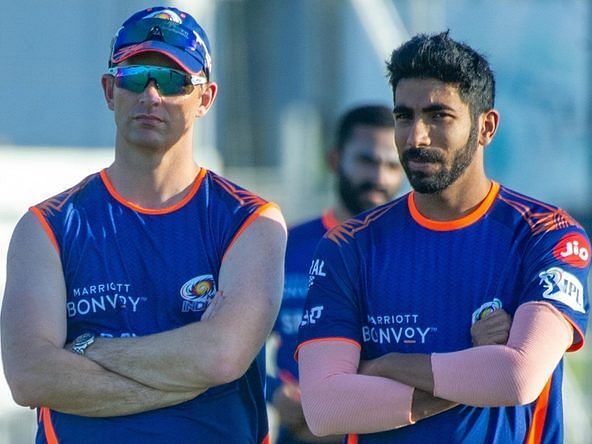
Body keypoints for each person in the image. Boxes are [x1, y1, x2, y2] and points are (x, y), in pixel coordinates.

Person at [1, 6, 286, 443]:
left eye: (173, 81)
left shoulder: (251, 221)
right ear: (110, 90)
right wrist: (184, 372)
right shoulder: (47, 226)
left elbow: (221, 357)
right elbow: (31, 376)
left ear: (205, 98)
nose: (151, 95)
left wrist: (85, 349)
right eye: (136, 77)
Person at [296, 31, 590, 443]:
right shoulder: (348, 246)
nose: (416, 137)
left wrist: (384, 366)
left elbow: (517, 377)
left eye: (438, 116)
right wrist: (472, 367)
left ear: (486, 126)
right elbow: (326, 407)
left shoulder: (547, 235)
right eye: (404, 116)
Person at [268, 105, 404, 443]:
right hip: (300, 434)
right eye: (367, 161)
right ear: (334, 160)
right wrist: (274, 393)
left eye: (392, 165)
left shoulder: (413, 253)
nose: (379, 178)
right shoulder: (286, 246)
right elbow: (238, 345)